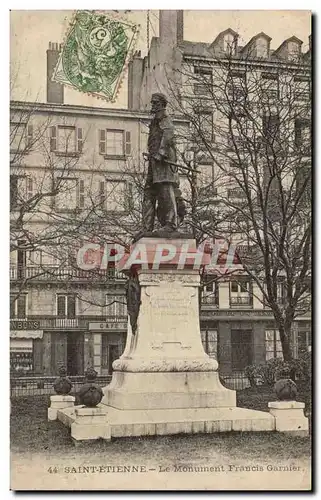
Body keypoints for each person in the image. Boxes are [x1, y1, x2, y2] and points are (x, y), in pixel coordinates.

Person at [142, 93, 181, 233]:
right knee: (148, 193)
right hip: (154, 162)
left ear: (162, 104)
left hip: (164, 162)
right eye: (152, 103)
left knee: (166, 190)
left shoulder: (164, 118)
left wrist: (162, 152)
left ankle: (171, 223)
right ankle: (147, 227)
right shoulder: (155, 120)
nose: (153, 105)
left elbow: (168, 134)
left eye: (155, 103)